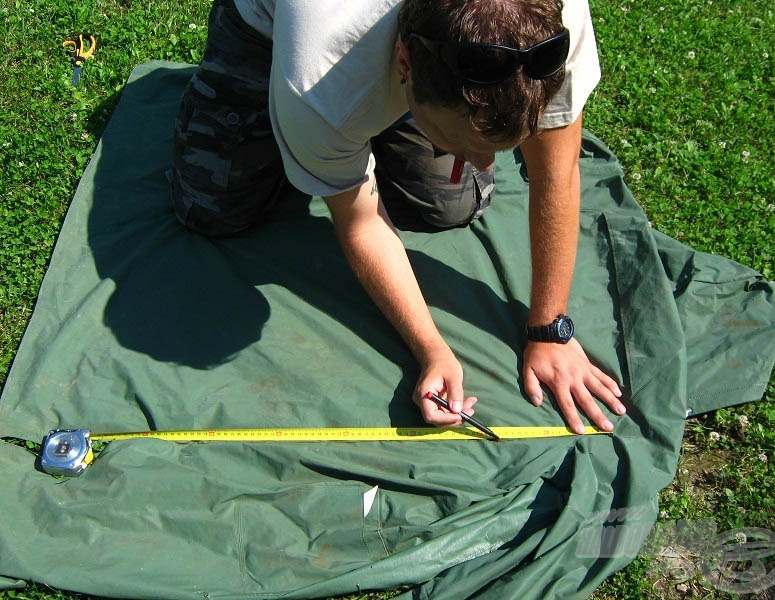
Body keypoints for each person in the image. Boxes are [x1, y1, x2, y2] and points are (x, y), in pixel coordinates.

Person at [169, 0, 627, 434]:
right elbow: (360, 222)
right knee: (212, 206)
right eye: (466, 145)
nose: (485, 165)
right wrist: (430, 347)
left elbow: (557, 169)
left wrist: (550, 330)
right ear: (405, 64)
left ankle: (396, 119)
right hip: (271, 28)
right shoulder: (319, 73)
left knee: (452, 203)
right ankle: (284, 108)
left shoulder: (546, 20)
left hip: (391, 63)